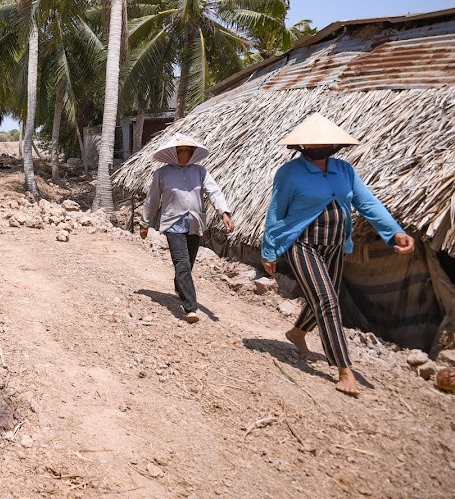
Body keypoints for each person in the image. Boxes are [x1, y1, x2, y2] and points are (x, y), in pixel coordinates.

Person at [261, 113, 415, 397]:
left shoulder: (344, 170)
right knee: (328, 299)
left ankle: (297, 333)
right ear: (302, 146)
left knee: (323, 295)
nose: (322, 146)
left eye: (327, 142)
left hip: (335, 246)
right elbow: (276, 212)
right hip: (302, 244)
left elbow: (367, 203)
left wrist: (394, 232)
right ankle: (344, 368)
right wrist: (269, 250)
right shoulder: (289, 173)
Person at [140, 134, 234, 323]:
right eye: (180, 151)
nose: (184, 154)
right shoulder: (163, 174)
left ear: (193, 153)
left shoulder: (200, 172)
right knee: (182, 263)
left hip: (194, 223)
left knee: (188, 263)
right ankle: (191, 307)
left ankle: (179, 285)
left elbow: (214, 192)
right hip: (173, 223)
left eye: (187, 151)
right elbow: (152, 200)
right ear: (173, 153)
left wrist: (224, 213)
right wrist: (144, 223)